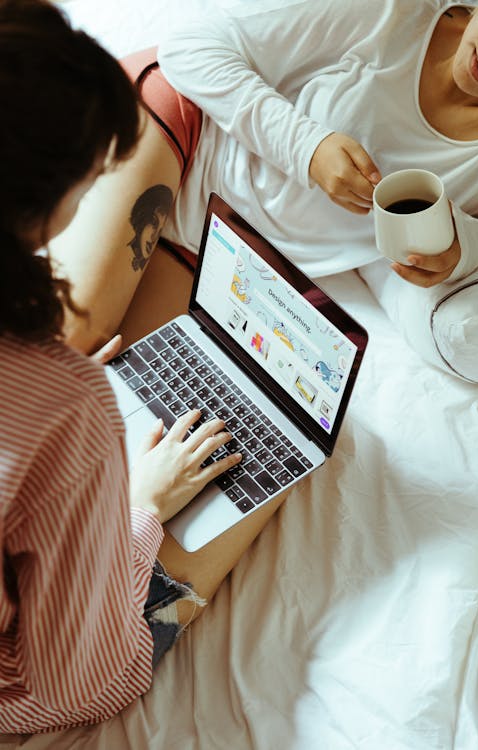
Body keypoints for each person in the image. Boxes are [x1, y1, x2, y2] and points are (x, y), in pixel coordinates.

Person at [0, 0, 289, 735]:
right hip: (28, 685)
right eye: (95, 178)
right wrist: (140, 510)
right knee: (266, 460)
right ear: (44, 212)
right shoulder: (70, 406)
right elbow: (79, 676)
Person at [51, 0, 478, 387]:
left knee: (122, 400)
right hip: (185, 132)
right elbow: (188, 49)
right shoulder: (387, 13)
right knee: (73, 339)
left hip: (227, 250)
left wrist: (461, 251)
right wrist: (307, 148)